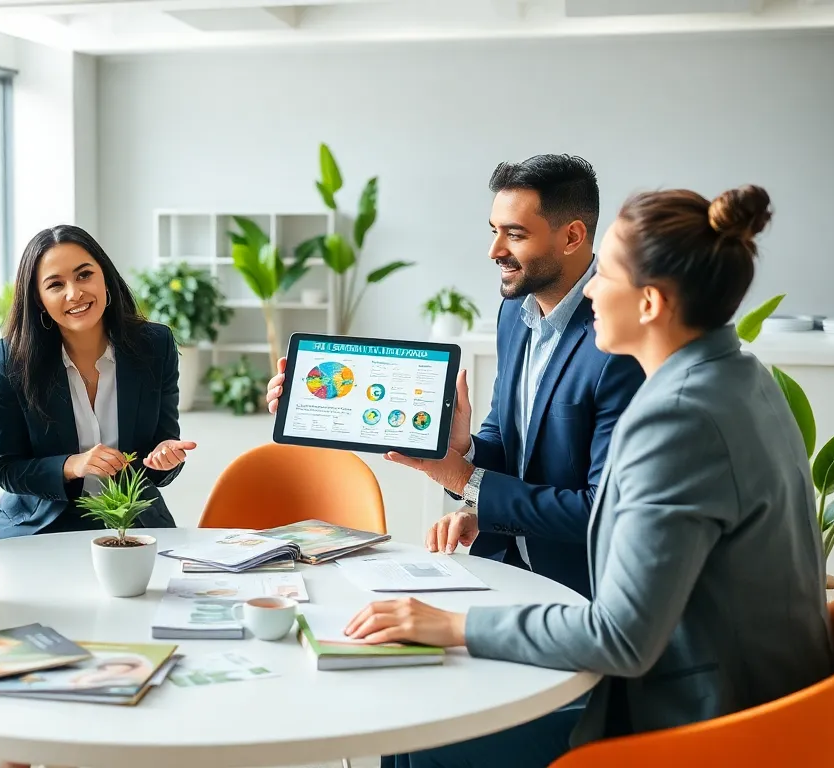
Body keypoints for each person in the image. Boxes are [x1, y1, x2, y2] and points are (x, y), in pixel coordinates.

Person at [350, 184, 834, 767]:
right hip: (764, 697)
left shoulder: (676, 419)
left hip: (704, 720)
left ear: (650, 304)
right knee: (421, 716)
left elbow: (622, 638)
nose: (591, 291)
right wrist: (467, 472)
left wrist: (453, 625)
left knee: (417, 735)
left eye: (605, 274)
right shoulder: (742, 376)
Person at [266, 154, 644, 599]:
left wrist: (466, 481)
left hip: (581, 591)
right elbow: (509, 441)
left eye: (515, 234)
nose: (494, 250)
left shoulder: (619, 340)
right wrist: (466, 453)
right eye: (494, 230)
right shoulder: (514, 313)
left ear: (572, 236)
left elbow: (600, 509)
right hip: (504, 569)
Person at [0, 224, 194, 537]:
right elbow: (8, 468)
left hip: (129, 517)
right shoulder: (15, 358)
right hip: (44, 522)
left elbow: (162, 447)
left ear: (105, 277)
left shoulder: (155, 346)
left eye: (84, 275)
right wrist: (73, 465)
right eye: (56, 285)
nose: (75, 293)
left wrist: (166, 457)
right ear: (38, 299)